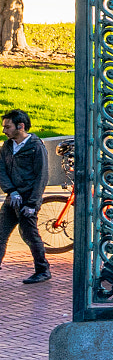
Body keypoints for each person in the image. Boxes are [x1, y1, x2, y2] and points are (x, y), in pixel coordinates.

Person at [1, 110, 50, 284]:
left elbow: (42, 176)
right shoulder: (7, 146)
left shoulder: (36, 147)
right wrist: (11, 190)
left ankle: (43, 270)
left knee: (29, 235)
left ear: (20, 126)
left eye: (8, 126)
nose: (4, 130)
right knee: (1, 234)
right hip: (11, 199)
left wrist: (32, 203)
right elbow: (1, 170)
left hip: (28, 200)